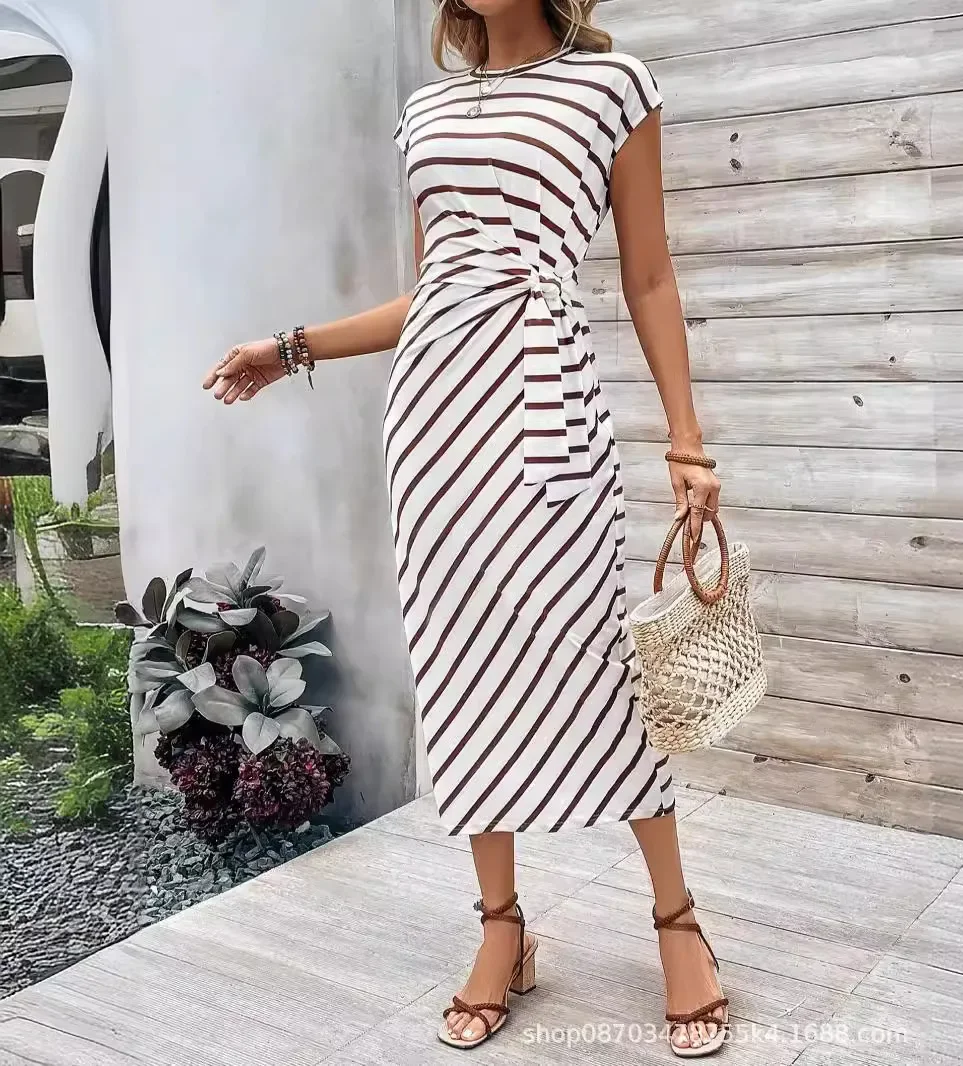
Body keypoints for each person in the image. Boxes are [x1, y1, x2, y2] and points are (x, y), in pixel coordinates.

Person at [203, 0, 726, 1055]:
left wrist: (686, 441)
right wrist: (289, 348)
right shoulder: (427, 111)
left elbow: (649, 274)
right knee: (461, 667)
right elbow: (434, 292)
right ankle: (501, 928)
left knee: (596, 663)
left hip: (546, 413)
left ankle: (677, 919)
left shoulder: (613, 87)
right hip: (436, 425)